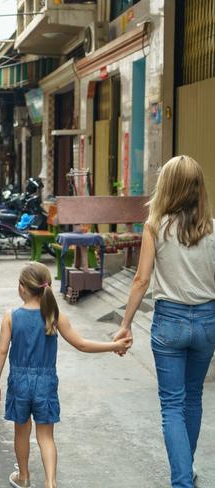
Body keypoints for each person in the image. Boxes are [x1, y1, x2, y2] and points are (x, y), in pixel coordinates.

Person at [114, 155, 215, 487]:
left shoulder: (156, 227)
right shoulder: (212, 229)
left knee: (172, 404)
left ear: (167, 187)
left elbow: (141, 280)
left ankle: (182, 480)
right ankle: (186, 470)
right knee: (193, 396)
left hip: (169, 321)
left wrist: (125, 324)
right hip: (206, 321)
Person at [0, 262, 131, 488]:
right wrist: (113, 345)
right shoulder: (54, 316)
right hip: (45, 383)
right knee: (46, 436)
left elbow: (0, 351)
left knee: (21, 432)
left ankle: (24, 477)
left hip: (19, 382)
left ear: (23, 288)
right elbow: (82, 345)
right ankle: (50, 482)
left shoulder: (11, 316)